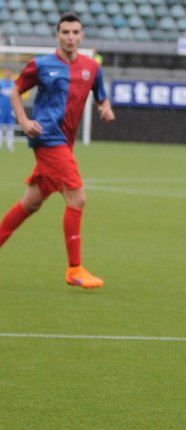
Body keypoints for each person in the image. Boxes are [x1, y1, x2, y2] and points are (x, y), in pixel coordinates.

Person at [0, 13, 115, 288]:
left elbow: (101, 96)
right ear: (57, 35)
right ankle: (74, 269)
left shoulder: (91, 68)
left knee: (31, 202)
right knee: (77, 198)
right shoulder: (41, 65)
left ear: (81, 35)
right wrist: (24, 121)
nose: (71, 37)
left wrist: (105, 107)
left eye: (75, 32)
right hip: (47, 138)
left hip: (66, 142)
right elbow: (15, 92)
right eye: (65, 32)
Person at [0, 69, 15, 152]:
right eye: (7, 71)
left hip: (11, 109)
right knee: (0, 127)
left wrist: (15, 109)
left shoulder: (14, 84)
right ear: (5, 72)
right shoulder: (1, 83)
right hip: (2, 108)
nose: (8, 73)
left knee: (10, 128)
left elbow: (18, 97)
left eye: (10, 72)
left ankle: (10, 145)